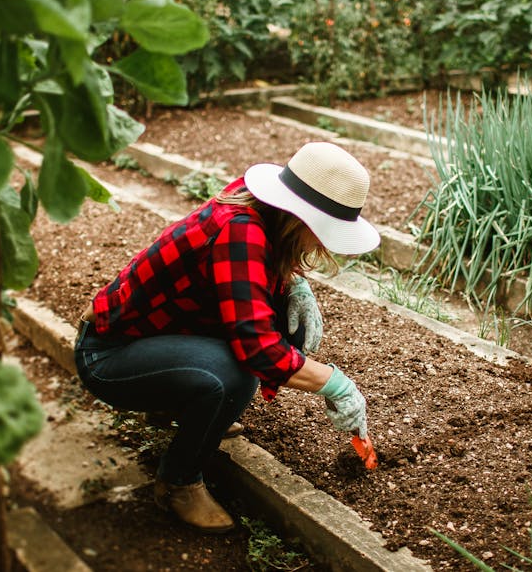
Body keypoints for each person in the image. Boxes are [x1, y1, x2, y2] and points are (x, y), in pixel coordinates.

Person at [74, 141, 380, 533]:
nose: (323, 245)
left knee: (286, 329)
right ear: (301, 219)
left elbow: (250, 283)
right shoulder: (240, 231)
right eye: (323, 232)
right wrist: (336, 384)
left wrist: (294, 286)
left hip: (151, 340)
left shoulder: (255, 206)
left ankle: (173, 406)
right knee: (233, 375)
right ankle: (178, 483)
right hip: (107, 357)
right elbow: (259, 349)